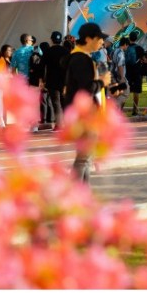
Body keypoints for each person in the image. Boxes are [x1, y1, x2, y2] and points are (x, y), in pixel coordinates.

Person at [63, 23, 110, 183]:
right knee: (84, 158)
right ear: (89, 39)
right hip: (84, 115)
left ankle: (83, 193)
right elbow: (86, 89)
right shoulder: (81, 59)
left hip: (84, 114)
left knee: (86, 158)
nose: (102, 42)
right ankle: (76, 194)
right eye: (99, 39)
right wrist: (102, 82)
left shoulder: (79, 57)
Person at [43, 31, 69, 130]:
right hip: (64, 80)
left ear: (51, 39)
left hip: (51, 79)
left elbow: (42, 66)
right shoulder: (66, 51)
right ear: (61, 40)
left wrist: (41, 79)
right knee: (64, 101)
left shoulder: (48, 51)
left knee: (56, 102)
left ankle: (59, 124)